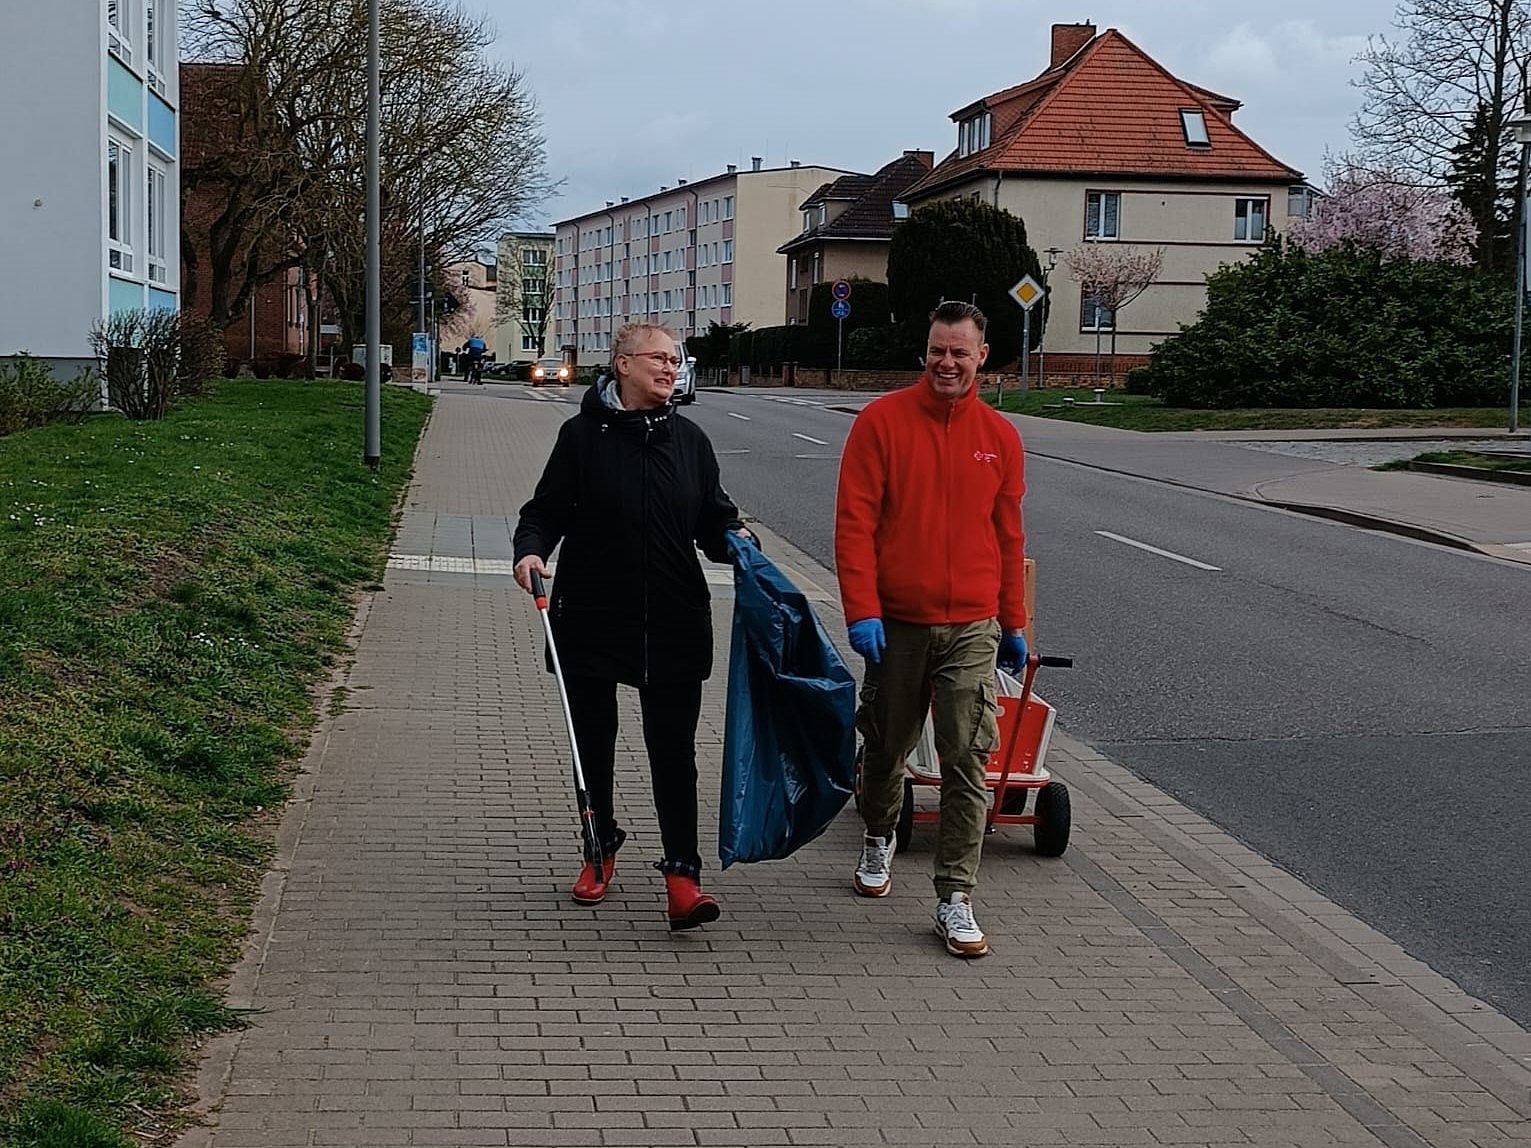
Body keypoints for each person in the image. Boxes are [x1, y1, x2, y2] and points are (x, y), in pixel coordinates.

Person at [513, 322, 750, 930]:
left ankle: (683, 876)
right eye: (659, 359)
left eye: (677, 360)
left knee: (673, 752)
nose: (671, 368)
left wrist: (737, 541)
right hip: (591, 616)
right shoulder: (581, 437)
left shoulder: (691, 440)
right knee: (592, 744)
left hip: (673, 619)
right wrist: (531, 550)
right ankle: (600, 848)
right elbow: (544, 511)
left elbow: (713, 518)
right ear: (621, 364)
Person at [833, 300, 1028, 959]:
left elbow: (1007, 534)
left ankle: (954, 897)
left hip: (972, 623)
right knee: (887, 745)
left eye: (959, 352)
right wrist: (861, 609)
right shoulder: (880, 423)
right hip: (897, 622)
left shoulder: (999, 437)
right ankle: (878, 832)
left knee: (967, 757)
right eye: (937, 350)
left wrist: (1014, 619)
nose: (947, 363)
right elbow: (854, 526)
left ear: (981, 356)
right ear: (925, 351)